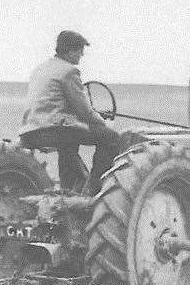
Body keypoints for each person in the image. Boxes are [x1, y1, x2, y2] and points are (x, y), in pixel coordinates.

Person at [18, 30, 121, 194]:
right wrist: (104, 122)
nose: (82, 56)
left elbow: (54, 103)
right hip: (52, 129)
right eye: (80, 52)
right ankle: (94, 189)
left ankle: (69, 188)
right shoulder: (68, 71)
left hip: (29, 130)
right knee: (111, 138)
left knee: (69, 144)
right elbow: (85, 112)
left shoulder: (40, 69)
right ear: (71, 51)